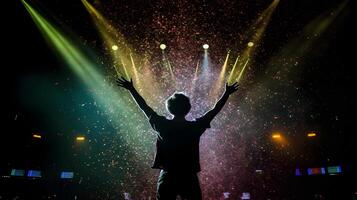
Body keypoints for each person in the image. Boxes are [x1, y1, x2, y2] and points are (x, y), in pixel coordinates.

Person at [117, 77, 239, 200]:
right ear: (188, 108)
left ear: (169, 108)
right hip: (189, 177)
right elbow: (214, 110)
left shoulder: (162, 125)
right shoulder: (194, 128)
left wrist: (131, 89)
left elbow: (144, 107)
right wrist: (226, 94)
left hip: (168, 176)